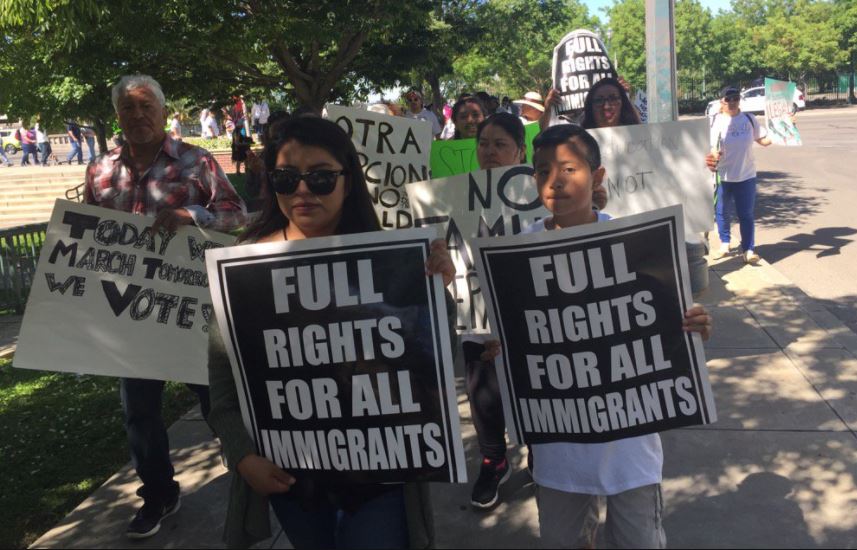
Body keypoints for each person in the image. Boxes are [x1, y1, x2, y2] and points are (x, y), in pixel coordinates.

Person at [208, 115, 454, 549]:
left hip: (383, 475)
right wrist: (243, 456)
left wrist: (438, 295)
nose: (302, 190)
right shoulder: (243, 270)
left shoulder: (391, 260)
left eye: (320, 178)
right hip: (293, 480)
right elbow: (223, 388)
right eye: (286, 178)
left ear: (348, 180)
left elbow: (439, 361)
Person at [513, 124, 711, 548]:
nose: (556, 180)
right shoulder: (517, 250)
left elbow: (664, 326)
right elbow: (506, 331)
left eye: (569, 168)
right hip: (558, 450)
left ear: (598, 177)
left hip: (630, 449)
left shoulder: (635, 243)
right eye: (543, 170)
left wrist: (693, 327)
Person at [83, 74, 246, 539]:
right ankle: (158, 493)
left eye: (145, 106)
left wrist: (193, 215)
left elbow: (237, 215)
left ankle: (246, 474)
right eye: (128, 108)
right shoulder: (98, 171)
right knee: (139, 410)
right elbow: (91, 235)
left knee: (217, 401)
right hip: (132, 312)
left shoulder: (196, 161)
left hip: (192, 306)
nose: (137, 116)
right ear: (118, 115)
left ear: (162, 110)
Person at [463, 112, 528, 509]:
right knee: (483, 395)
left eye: (500, 143)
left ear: (520, 151)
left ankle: (540, 449)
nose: (489, 150)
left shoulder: (539, 194)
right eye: (483, 143)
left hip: (526, 319)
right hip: (476, 319)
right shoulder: (456, 197)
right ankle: (494, 460)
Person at [543, 76, 641, 212]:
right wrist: (548, 110)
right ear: (590, 106)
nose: (607, 105)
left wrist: (628, 97)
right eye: (599, 100)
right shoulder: (578, 141)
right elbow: (545, 148)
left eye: (613, 98)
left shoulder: (637, 138)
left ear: (622, 102)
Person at [705, 85, 772, 265]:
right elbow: (710, 148)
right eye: (729, 99)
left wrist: (784, 128)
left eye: (736, 98)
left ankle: (748, 250)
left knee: (746, 215)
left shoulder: (749, 119)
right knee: (721, 212)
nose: (733, 102)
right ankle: (725, 244)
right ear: (722, 101)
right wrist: (714, 154)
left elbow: (764, 140)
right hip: (723, 176)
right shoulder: (714, 121)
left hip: (746, 175)